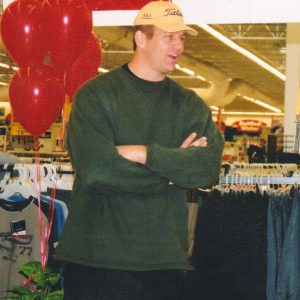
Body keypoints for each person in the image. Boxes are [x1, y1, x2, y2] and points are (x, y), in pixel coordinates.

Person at [55, 1, 224, 299]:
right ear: (140, 38)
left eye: (182, 37)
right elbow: (96, 170)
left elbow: (207, 170)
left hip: (164, 261)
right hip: (96, 259)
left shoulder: (189, 105)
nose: (178, 45)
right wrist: (173, 172)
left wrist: (144, 153)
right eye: (168, 36)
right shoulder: (95, 95)